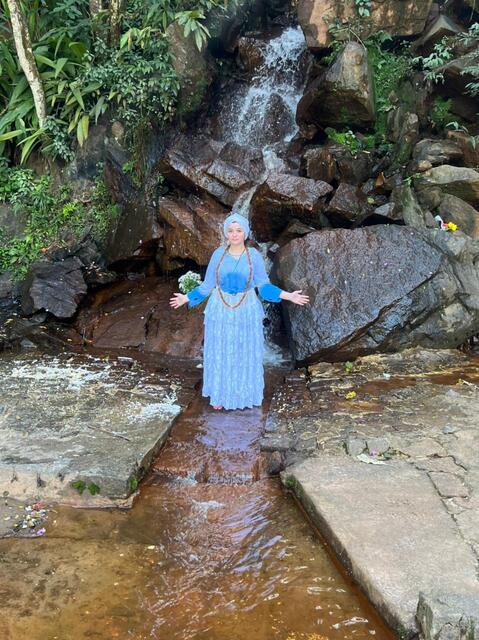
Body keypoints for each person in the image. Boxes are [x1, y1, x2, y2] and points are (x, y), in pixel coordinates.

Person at [169, 212, 309, 410]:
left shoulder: (254, 257)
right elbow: (207, 286)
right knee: (221, 349)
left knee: (244, 350)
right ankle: (220, 394)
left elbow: (263, 286)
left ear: (245, 233)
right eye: (231, 231)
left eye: (239, 230)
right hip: (220, 308)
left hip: (247, 309)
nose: (234, 234)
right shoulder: (218, 255)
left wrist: (288, 296)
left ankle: (243, 394)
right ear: (226, 233)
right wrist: (186, 298)